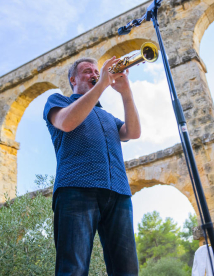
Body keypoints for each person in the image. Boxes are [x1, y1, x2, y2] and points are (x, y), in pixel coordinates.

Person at [43, 56, 141, 275]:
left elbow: (133, 132)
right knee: (73, 268)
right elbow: (67, 123)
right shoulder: (58, 101)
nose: (95, 74)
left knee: (127, 270)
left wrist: (126, 92)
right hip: (76, 188)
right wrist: (102, 84)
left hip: (118, 192)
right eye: (88, 71)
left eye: (97, 71)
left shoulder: (106, 115)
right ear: (73, 79)